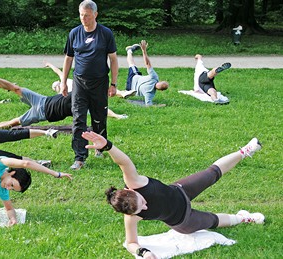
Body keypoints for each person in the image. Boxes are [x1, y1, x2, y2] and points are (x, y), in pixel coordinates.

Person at [81, 131, 264, 258]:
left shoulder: (134, 181)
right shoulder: (131, 217)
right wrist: (144, 252)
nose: (145, 207)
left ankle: (244, 152)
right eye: (141, 210)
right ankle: (244, 218)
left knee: (212, 173)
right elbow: (130, 242)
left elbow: (123, 161)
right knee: (214, 220)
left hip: (180, 190)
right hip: (183, 221)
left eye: (142, 201)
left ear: (130, 190)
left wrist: (108, 146)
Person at [60, 0, 118, 170]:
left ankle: (100, 146)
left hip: (100, 82)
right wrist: (63, 82)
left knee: (99, 117)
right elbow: (68, 58)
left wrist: (113, 83)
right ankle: (79, 158)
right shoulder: (74, 33)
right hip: (79, 82)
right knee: (78, 118)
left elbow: (113, 60)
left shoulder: (105, 33)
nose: (83, 18)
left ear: (95, 14)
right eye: (81, 15)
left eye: (86, 15)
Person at [0, 68, 72, 129]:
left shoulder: (83, 107)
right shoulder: (76, 89)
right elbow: (62, 72)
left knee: (15, 122)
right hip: (43, 99)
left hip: (42, 113)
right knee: (16, 88)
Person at [45, 61, 128, 120]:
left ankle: (123, 94)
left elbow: (57, 71)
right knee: (99, 108)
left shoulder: (64, 81)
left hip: (85, 89)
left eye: (57, 83)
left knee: (106, 91)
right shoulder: (61, 94)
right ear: (55, 89)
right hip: (82, 99)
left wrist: (49, 64)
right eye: (55, 87)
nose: (57, 85)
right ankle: (117, 116)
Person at [123, 40, 169, 107]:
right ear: (161, 90)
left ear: (160, 81)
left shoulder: (154, 77)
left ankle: (129, 50)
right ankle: (121, 94)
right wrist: (160, 105)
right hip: (130, 89)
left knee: (132, 64)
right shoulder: (150, 94)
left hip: (133, 79)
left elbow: (147, 63)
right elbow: (149, 105)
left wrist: (144, 51)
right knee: (132, 66)